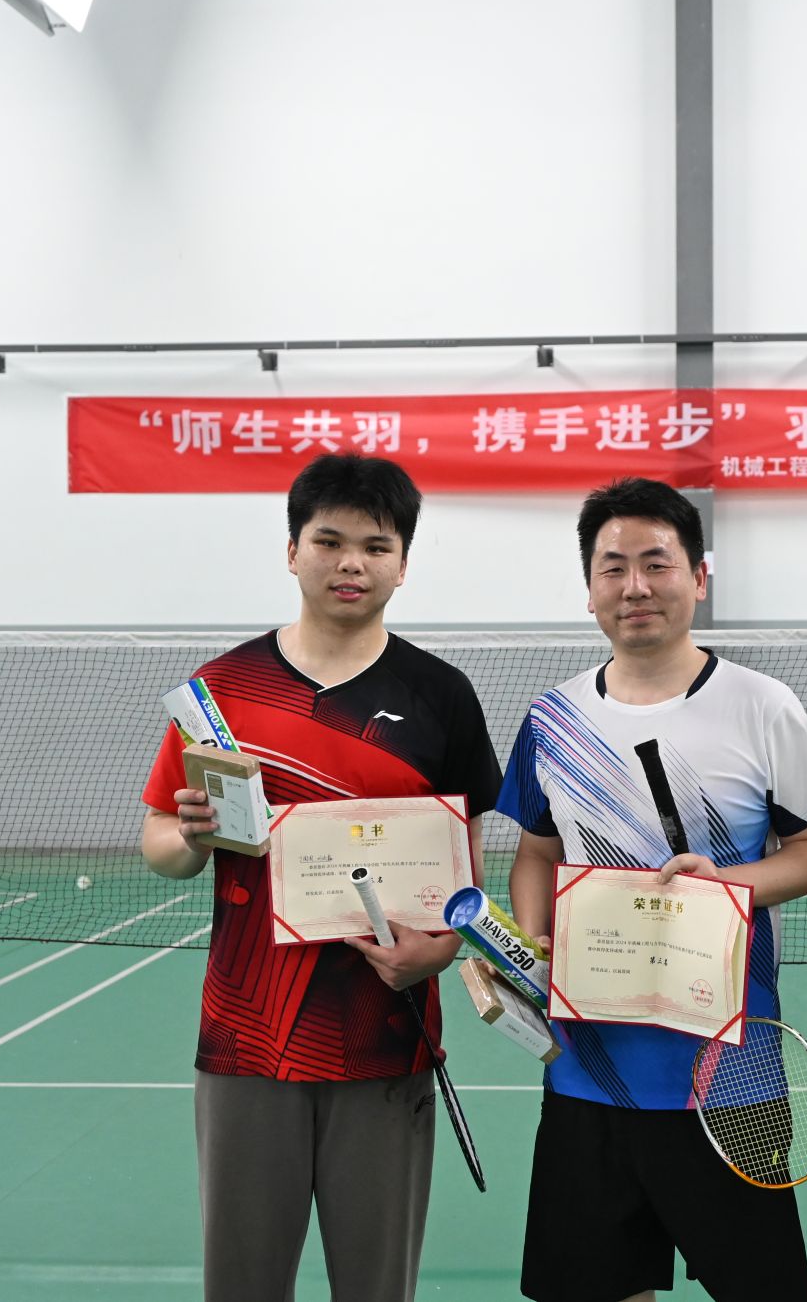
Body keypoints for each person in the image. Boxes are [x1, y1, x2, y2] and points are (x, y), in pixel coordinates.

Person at [139, 453, 501, 1302]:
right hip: (246, 1037)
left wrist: (443, 949)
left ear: (402, 565)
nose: (351, 564)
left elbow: (467, 870)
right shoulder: (222, 691)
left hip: (386, 1036)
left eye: (376, 547)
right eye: (329, 541)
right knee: (243, 1284)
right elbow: (160, 840)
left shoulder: (442, 695)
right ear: (292, 550)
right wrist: (189, 838)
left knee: (377, 1287)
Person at [497, 477, 807, 1302]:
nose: (636, 586)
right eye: (613, 567)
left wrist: (727, 885)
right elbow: (536, 852)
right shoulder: (552, 720)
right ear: (589, 588)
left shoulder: (764, 707)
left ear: (698, 576)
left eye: (657, 564)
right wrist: (533, 940)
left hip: (730, 1072)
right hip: (589, 1070)